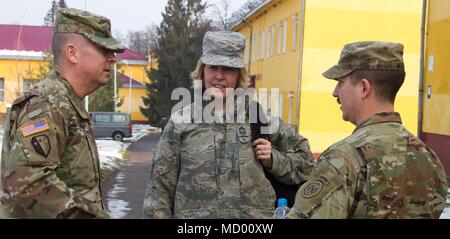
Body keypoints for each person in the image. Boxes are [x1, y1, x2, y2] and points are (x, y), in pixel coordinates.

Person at [143, 31, 315, 219]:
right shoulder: (180, 123)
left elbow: (307, 165)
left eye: (228, 69)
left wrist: (274, 160)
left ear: (239, 75)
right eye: (213, 67)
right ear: (202, 71)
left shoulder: (259, 118)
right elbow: (159, 191)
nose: (219, 76)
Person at [287, 41, 448, 219]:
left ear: (364, 88)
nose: (335, 92)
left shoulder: (343, 158)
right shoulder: (429, 158)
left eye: (340, 83)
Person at [0, 8, 125, 219]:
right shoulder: (47, 104)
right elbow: (28, 183)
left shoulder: (66, 102)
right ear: (72, 53)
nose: (113, 59)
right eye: (104, 50)